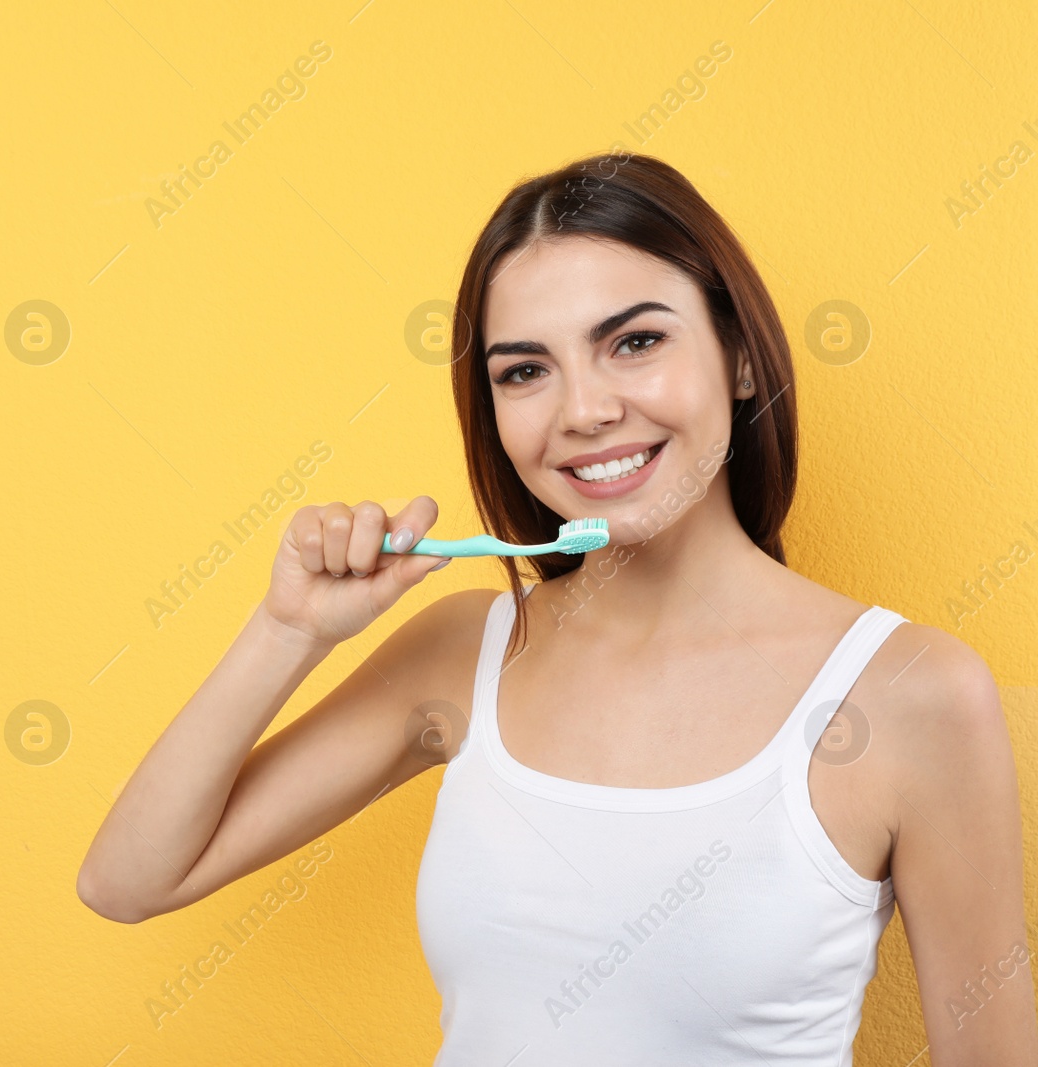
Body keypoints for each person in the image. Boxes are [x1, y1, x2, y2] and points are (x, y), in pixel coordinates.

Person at [76, 152, 1037, 1065]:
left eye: (636, 341)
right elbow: (129, 879)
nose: (582, 410)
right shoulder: (466, 650)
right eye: (525, 370)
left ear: (741, 359)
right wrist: (289, 631)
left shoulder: (914, 693)